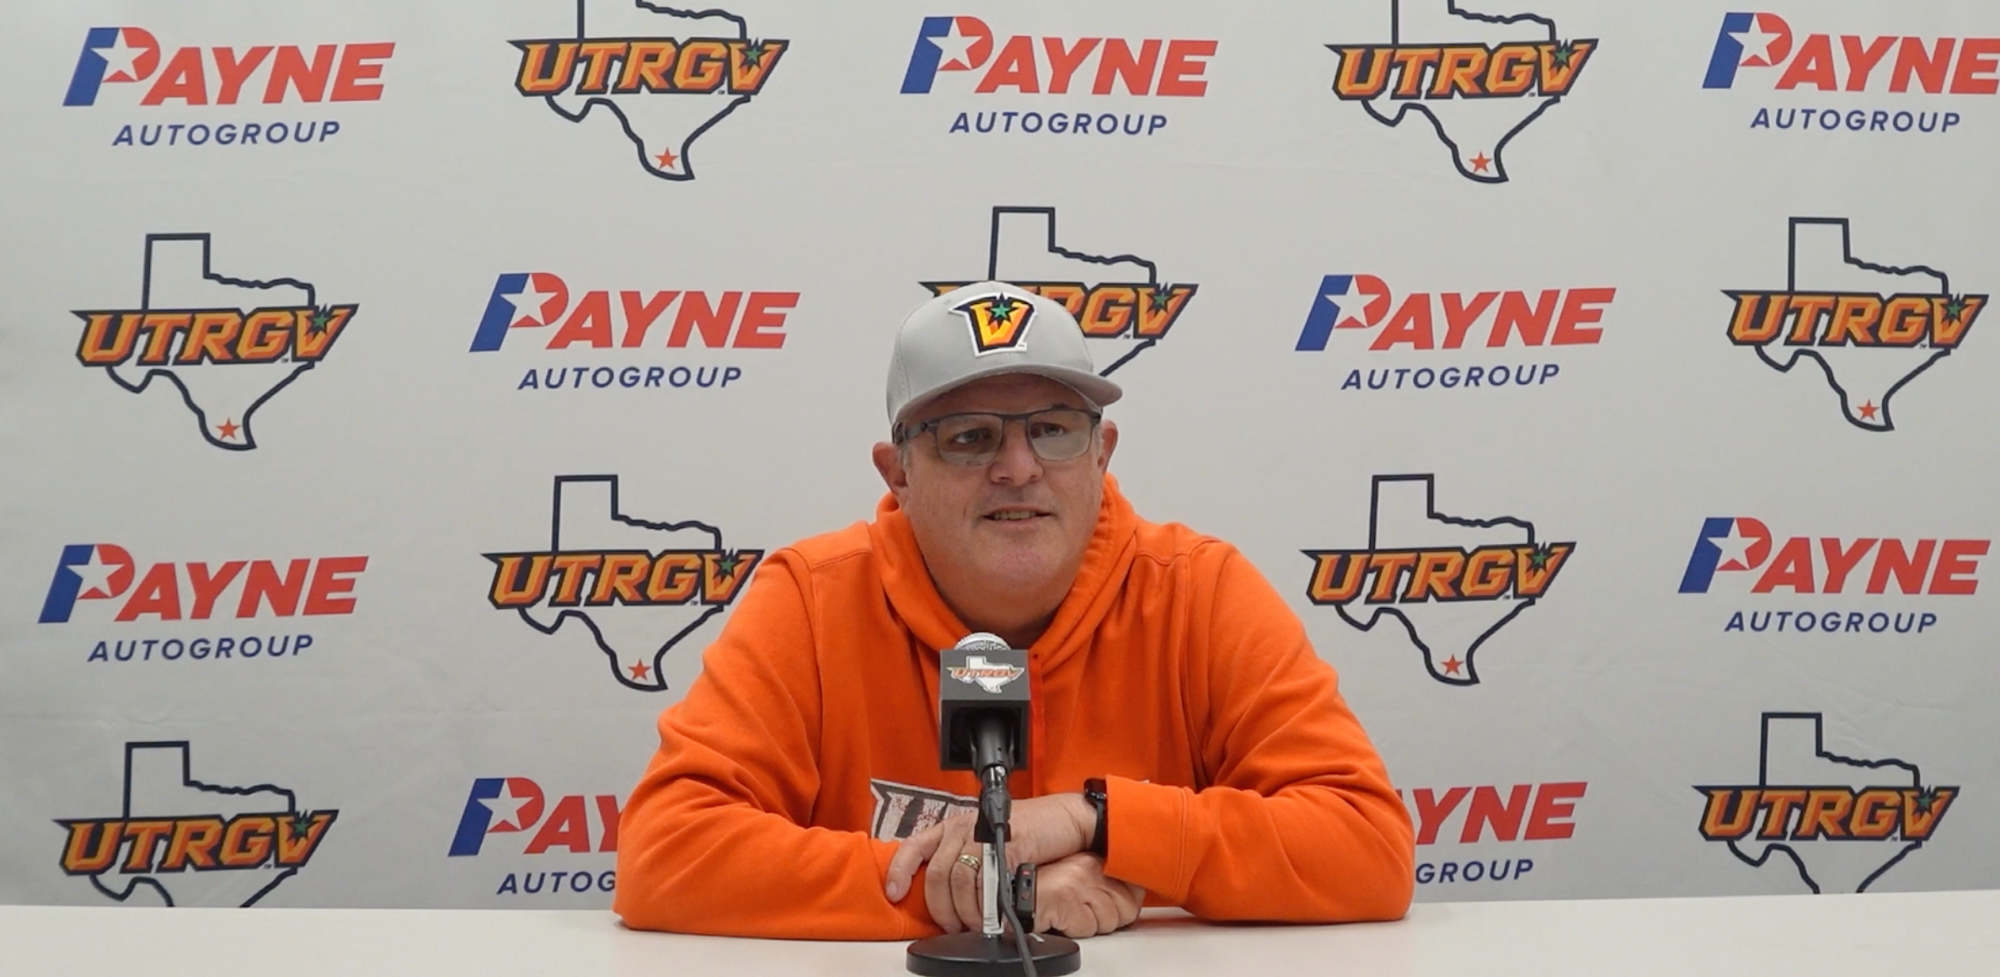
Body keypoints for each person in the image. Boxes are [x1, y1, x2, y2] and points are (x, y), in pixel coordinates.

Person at [613, 282, 1413, 940]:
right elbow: (665, 855)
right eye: (968, 437)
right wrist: (975, 889)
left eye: (1054, 431)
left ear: (1101, 455)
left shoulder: (1199, 591)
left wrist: (1096, 818)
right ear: (898, 472)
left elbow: (1367, 846)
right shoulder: (813, 598)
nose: (1018, 467)